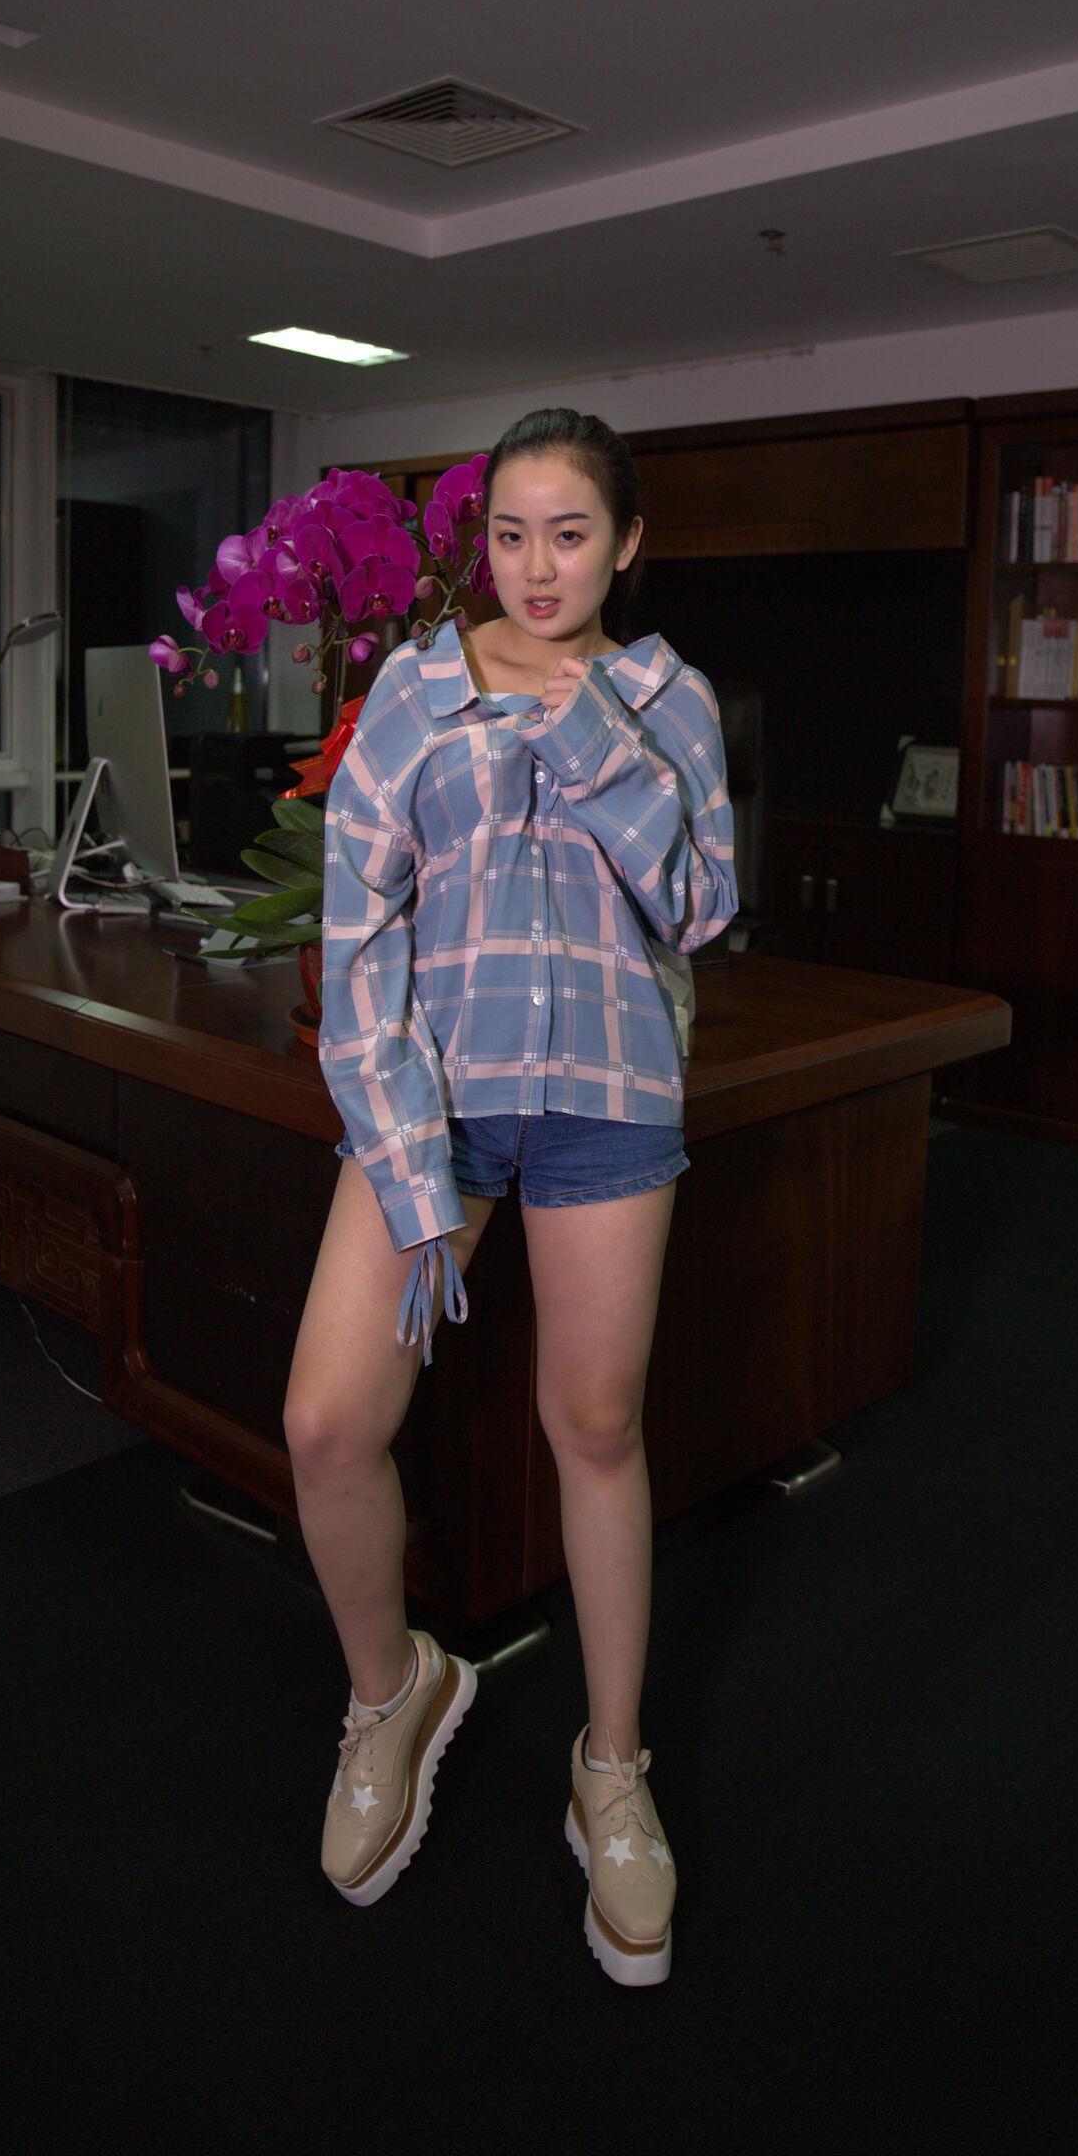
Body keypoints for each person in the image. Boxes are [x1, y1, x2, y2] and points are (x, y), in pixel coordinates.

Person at [284, 405, 738, 1987]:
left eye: (571, 534)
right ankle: (391, 1693)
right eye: (509, 534)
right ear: (478, 544)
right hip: (441, 1097)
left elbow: (700, 904)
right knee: (327, 1423)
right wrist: (410, 1166)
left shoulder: (669, 699)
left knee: (594, 1429)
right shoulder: (413, 692)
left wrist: (585, 733)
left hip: (609, 1095)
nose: (537, 568)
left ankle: (611, 1768)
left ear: (627, 543)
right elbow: (357, 936)